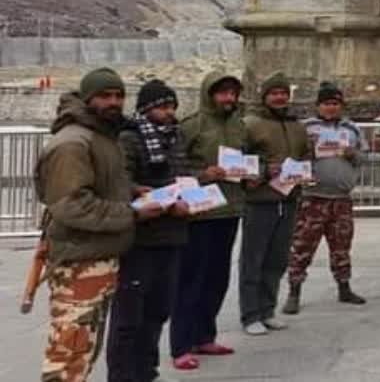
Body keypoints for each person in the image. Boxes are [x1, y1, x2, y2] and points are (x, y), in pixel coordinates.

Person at [36, 69, 162, 382]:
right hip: (79, 262)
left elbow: (99, 183)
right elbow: (71, 204)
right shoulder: (73, 143)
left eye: (119, 96)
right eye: (105, 96)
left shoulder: (102, 137)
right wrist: (131, 213)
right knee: (68, 355)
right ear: (88, 98)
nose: (114, 102)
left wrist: (132, 190)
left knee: (83, 353)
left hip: (99, 260)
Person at [107, 80, 191, 382]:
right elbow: (120, 181)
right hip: (140, 237)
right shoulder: (129, 138)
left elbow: (183, 175)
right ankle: (122, 375)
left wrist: (193, 196)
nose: (168, 112)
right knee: (129, 317)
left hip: (173, 235)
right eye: (162, 107)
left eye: (171, 106)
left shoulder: (177, 136)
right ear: (147, 109)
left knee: (158, 311)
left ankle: (146, 372)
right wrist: (159, 200)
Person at [171, 71, 245, 371]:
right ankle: (181, 344)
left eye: (232, 93)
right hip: (199, 213)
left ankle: (205, 335)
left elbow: (248, 158)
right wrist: (203, 175)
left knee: (217, 277)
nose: (228, 98)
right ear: (210, 94)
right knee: (191, 280)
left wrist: (251, 174)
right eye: (223, 93)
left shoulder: (240, 125)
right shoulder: (191, 126)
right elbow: (175, 164)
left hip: (229, 210)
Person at [282, 82, 367, 315]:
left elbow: (364, 157)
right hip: (312, 198)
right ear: (318, 105)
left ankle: (344, 287)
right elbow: (292, 156)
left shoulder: (352, 129)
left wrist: (353, 154)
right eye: (327, 103)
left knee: (341, 246)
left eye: (335, 104)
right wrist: (307, 153)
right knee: (302, 246)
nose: (331, 108)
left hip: (341, 199)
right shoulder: (305, 128)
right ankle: (294, 292)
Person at [241, 72, 312, 335]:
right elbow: (237, 160)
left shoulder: (297, 126)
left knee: (277, 259)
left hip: (289, 198)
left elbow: (306, 154)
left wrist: (304, 170)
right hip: (260, 201)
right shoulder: (250, 124)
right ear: (265, 97)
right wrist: (262, 170)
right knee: (253, 260)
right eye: (274, 93)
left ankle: (267, 309)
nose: (280, 97)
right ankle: (250, 315)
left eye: (283, 92)